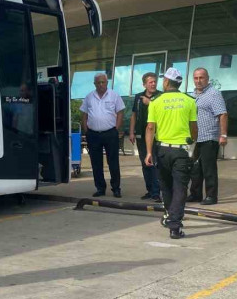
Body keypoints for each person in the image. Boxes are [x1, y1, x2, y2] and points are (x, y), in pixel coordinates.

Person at [144, 68, 197, 239]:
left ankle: (169, 216)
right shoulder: (189, 101)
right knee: (180, 188)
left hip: (162, 150)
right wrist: (192, 141)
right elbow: (193, 128)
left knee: (166, 186)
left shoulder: (156, 101)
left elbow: (150, 128)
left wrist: (149, 152)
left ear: (166, 82)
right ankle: (174, 225)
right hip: (182, 150)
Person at [80, 73, 125, 198]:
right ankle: (100, 188)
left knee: (113, 162)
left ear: (107, 82)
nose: (101, 85)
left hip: (110, 133)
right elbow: (84, 115)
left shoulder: (114, 95)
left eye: (103, 82)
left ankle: (116, 188)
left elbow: (120, 112)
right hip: (93, 135)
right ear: (94, 84)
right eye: (98, 82)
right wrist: (86, 130)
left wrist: (116, 127)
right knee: (96, 163)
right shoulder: (89, 97)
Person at [187, 68, 227, 205]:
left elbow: (222, 114)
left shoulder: (214, 94)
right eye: (196, 78)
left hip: (209, 137)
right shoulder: (193, 95)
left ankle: (211, 196)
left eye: (201, 78)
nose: (198, 80)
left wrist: (223, 135)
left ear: (207, 78)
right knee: (196, 169)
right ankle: (195, 194)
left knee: (208, 169)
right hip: (196, 138)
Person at [128, 72, 162, 202]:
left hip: (156, 135)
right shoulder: (138, 97)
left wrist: (150, 103)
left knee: (154, 163)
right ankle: (149, 190)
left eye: (154, 81)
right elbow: (134, 115)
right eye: (150, 82)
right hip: (141, 135)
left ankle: (156, 191)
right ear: (144, 84)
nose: (153, 84)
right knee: (145, 163)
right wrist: (131, 132)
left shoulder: (160, 96)